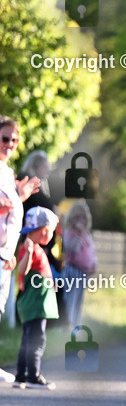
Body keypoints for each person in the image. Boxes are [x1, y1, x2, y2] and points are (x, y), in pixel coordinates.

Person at [0, 117, 40, 382]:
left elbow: (10, 215)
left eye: (15, 139)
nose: (10, 144)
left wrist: (11, 251)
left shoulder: (6, 172)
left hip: (4, 253)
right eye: (5, 138)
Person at [13, 207, 59, 389]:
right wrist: (29, 253)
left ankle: (21, 376)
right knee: (36, 340)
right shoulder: (29, 248)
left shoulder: (35, 248)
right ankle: (34, 376)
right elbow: (22, 270)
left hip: (32, 304)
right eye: (51, 232)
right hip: (35, 304)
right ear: (44, 230)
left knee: (27, 340)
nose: (52, 235)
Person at [62, 199, 98, 328]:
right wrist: (79, 235)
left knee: (79, 299)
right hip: (73, 270)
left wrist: (94, 264)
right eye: (78, 218)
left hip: (84, 272)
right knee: (70, 298)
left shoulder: (87, 235)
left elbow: (92, 251)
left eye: (83, 218)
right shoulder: (69, 233)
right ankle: (67, 323)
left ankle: (77, 322)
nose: (81, 221)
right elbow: (73, 248)